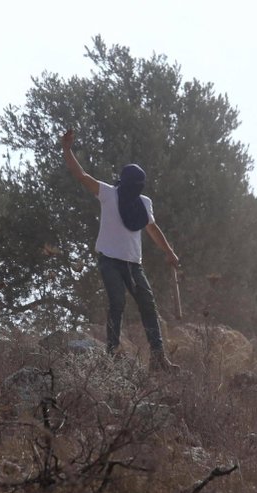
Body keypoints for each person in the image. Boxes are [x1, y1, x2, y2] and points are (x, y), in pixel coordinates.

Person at [60, 130, 179, 372]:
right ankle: (112, 353)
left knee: (148, 305)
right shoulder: (108, 193)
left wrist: (169, 251)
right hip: (110, 261)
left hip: (134, 264)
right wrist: (67, 149)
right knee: (117, 302)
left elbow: (152, 228)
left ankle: (158, 357)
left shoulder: (144, 203)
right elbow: (81, 175)